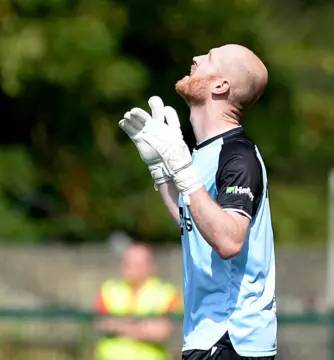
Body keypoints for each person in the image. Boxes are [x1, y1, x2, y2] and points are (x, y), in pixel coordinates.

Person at [118, 44, 276, 360]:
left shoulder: (238, 156)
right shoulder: (204, 153)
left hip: (233, 338)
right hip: (206, 336)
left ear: (221, 86)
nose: (196, 59)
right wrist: (162, 171)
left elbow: (229, 240)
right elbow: (193, 221)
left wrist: (184, 172)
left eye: (209, 58)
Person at [94, 243, 182, 360]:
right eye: (126, 262)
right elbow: (101, 323)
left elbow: (160, 332)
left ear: (150, 266)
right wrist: (142, 327)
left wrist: (119, 325)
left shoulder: (168, 293)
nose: (127, 267)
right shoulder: (108, 289)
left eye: (134, 264)